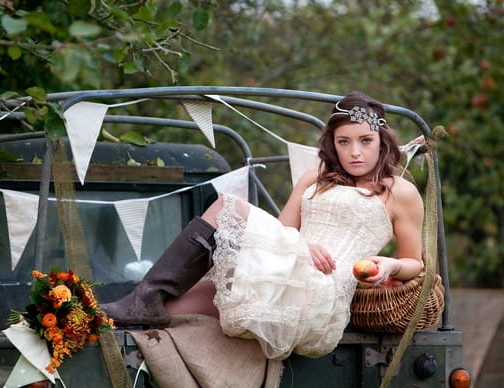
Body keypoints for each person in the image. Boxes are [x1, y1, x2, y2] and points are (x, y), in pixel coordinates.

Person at [102, 91, 424, 360]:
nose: (354, 152)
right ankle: (132, 306)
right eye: (344, 142)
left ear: (382, 141)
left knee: (230, 206)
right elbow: (280, 230)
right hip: (284, 268)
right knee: (170, 310)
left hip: (322, 290)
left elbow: (416, 263)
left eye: (365, 141)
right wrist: (302, 245)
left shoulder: (400, 192)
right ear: (332, 143)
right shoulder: (315, 178)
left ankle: (145, 295)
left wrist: (392, 265)